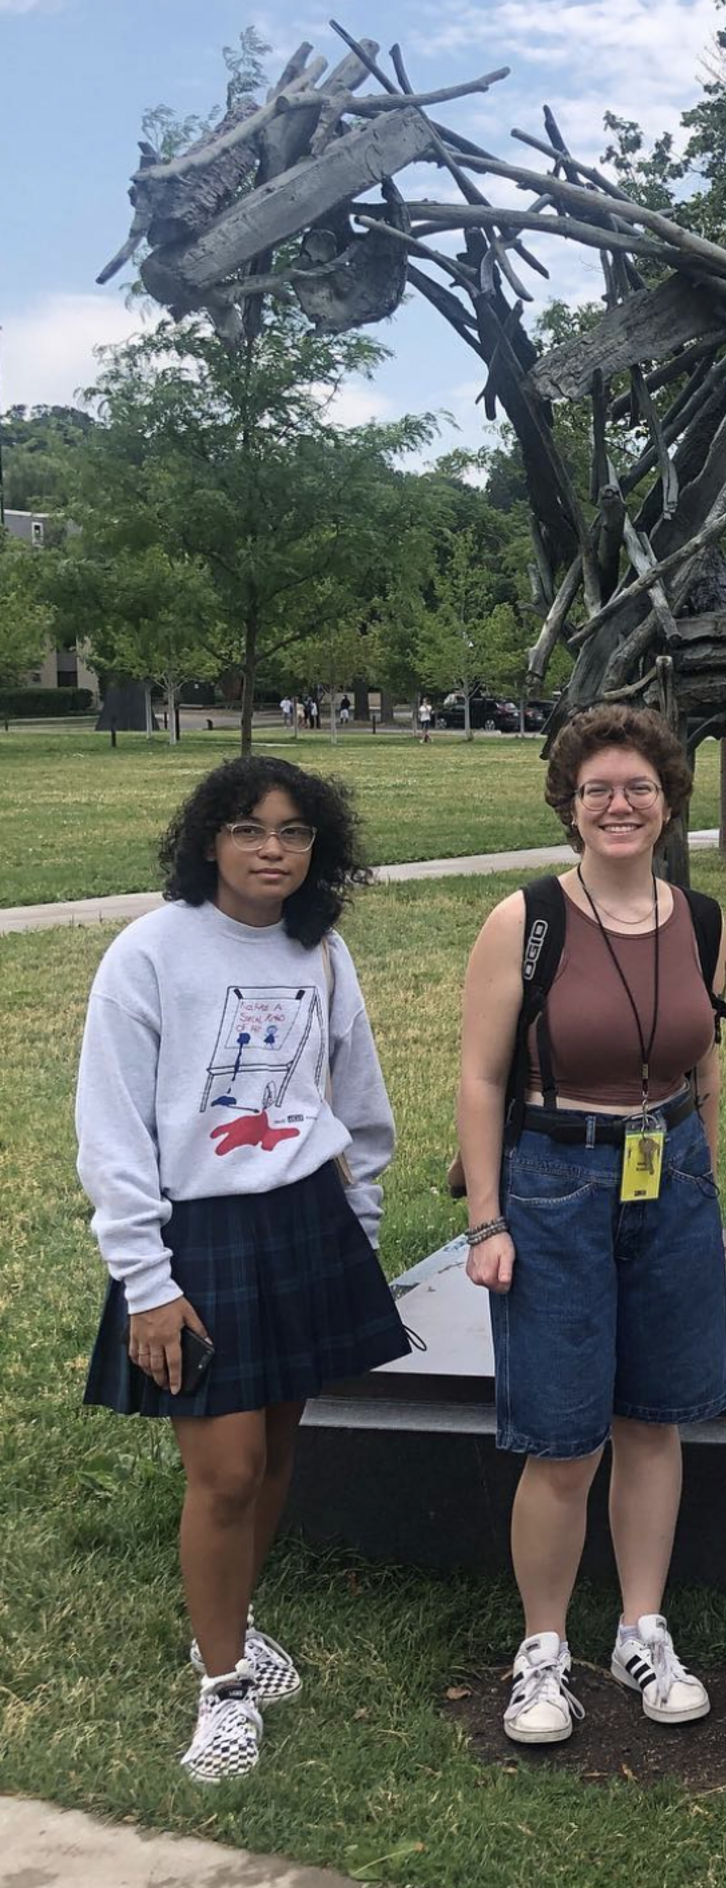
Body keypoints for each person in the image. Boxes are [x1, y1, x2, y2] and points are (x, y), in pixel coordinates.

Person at [77, 757, 408, 1783]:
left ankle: (235, 1621)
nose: (273, 849)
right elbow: (113, 1128)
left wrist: (361, 1211)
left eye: (295, 832)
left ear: (321, 848)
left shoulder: (319, 949)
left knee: (271, 1453)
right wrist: (147, 1279)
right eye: (249, 828)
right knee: (221, 1472)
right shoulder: (151, 953)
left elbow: (351, 1091)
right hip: (197, 1238)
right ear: (207, 839)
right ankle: (221, 1689)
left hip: (304, 1224)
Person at [454, 705, 726, 1747]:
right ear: (569, 807)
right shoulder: (524, 920)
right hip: (553, 1179)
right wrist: (487, 1220)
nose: (619, 806)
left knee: (654, 1419)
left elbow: (704, 1053)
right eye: (597, 790)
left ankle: (640, 1629)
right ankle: (543, 1650)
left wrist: (702, 1163)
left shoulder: (697, 918)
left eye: (639, 788)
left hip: (670, 1180)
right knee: (563, 1439)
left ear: (667, 802)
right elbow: (482, 1080)